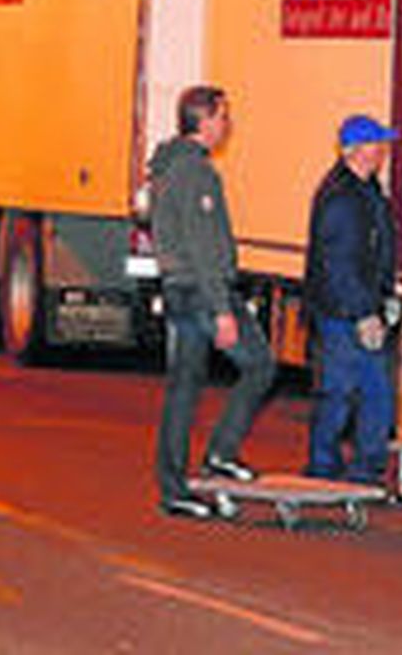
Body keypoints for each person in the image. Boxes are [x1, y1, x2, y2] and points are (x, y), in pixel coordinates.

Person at [150, 85, 275, 519]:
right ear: (202, 121)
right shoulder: (195, 173)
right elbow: (203, 245)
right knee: (260, 365)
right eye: (223, 116)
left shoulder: (166, 167)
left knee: (184, 388)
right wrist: (222, 309)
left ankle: (174, 488)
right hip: (203, 292)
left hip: (179, 289)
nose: (228, 125)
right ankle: (221, 452)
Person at [303, 115, 402, 486]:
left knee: (374, 391)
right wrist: (364, 313)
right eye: (378, 144)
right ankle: (324, 466)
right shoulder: (341, 199)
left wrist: (388, 293)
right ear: (355, 151)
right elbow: (339, 264)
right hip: (343, 313)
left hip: (361, 307)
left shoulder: (369, 192)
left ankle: (365, 470)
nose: (383, 151)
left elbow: (376, 252)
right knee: (341, 391)